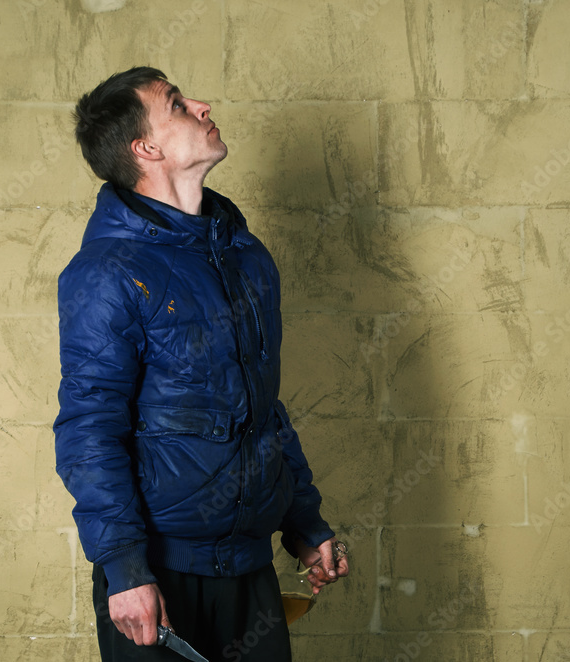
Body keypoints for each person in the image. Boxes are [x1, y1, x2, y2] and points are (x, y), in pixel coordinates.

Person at [53, 66, 349, 661]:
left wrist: (304, 523)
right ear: (146, 148)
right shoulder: (107, 271)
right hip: (157, 577)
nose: (203, 105)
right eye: (176, 104)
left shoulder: (246, 257)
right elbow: (89, 430)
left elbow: (262, 410)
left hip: (249, 568)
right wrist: (124, 568)